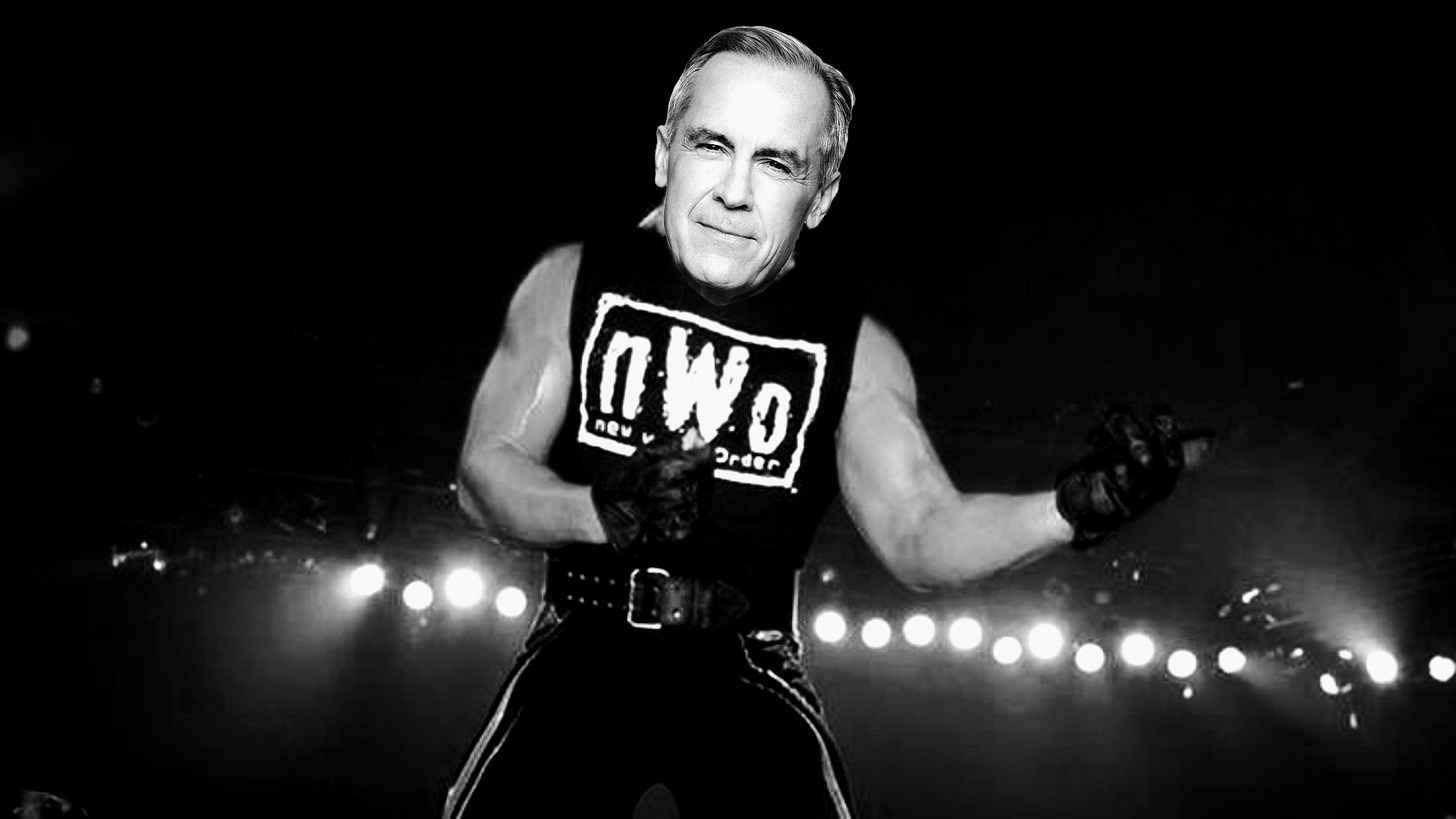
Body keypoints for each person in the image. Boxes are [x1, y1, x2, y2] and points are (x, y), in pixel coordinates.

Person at [442, 25, 1203, 819]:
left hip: (749, 662)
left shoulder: (855, 347)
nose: (735, 191)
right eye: (712, 145)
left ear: (823, 196)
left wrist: (1070, 509)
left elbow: (920, 530)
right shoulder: (572, 281)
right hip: (584, 642)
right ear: (665, 154)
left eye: (776, 163)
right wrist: (597, 512)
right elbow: (484, 472)